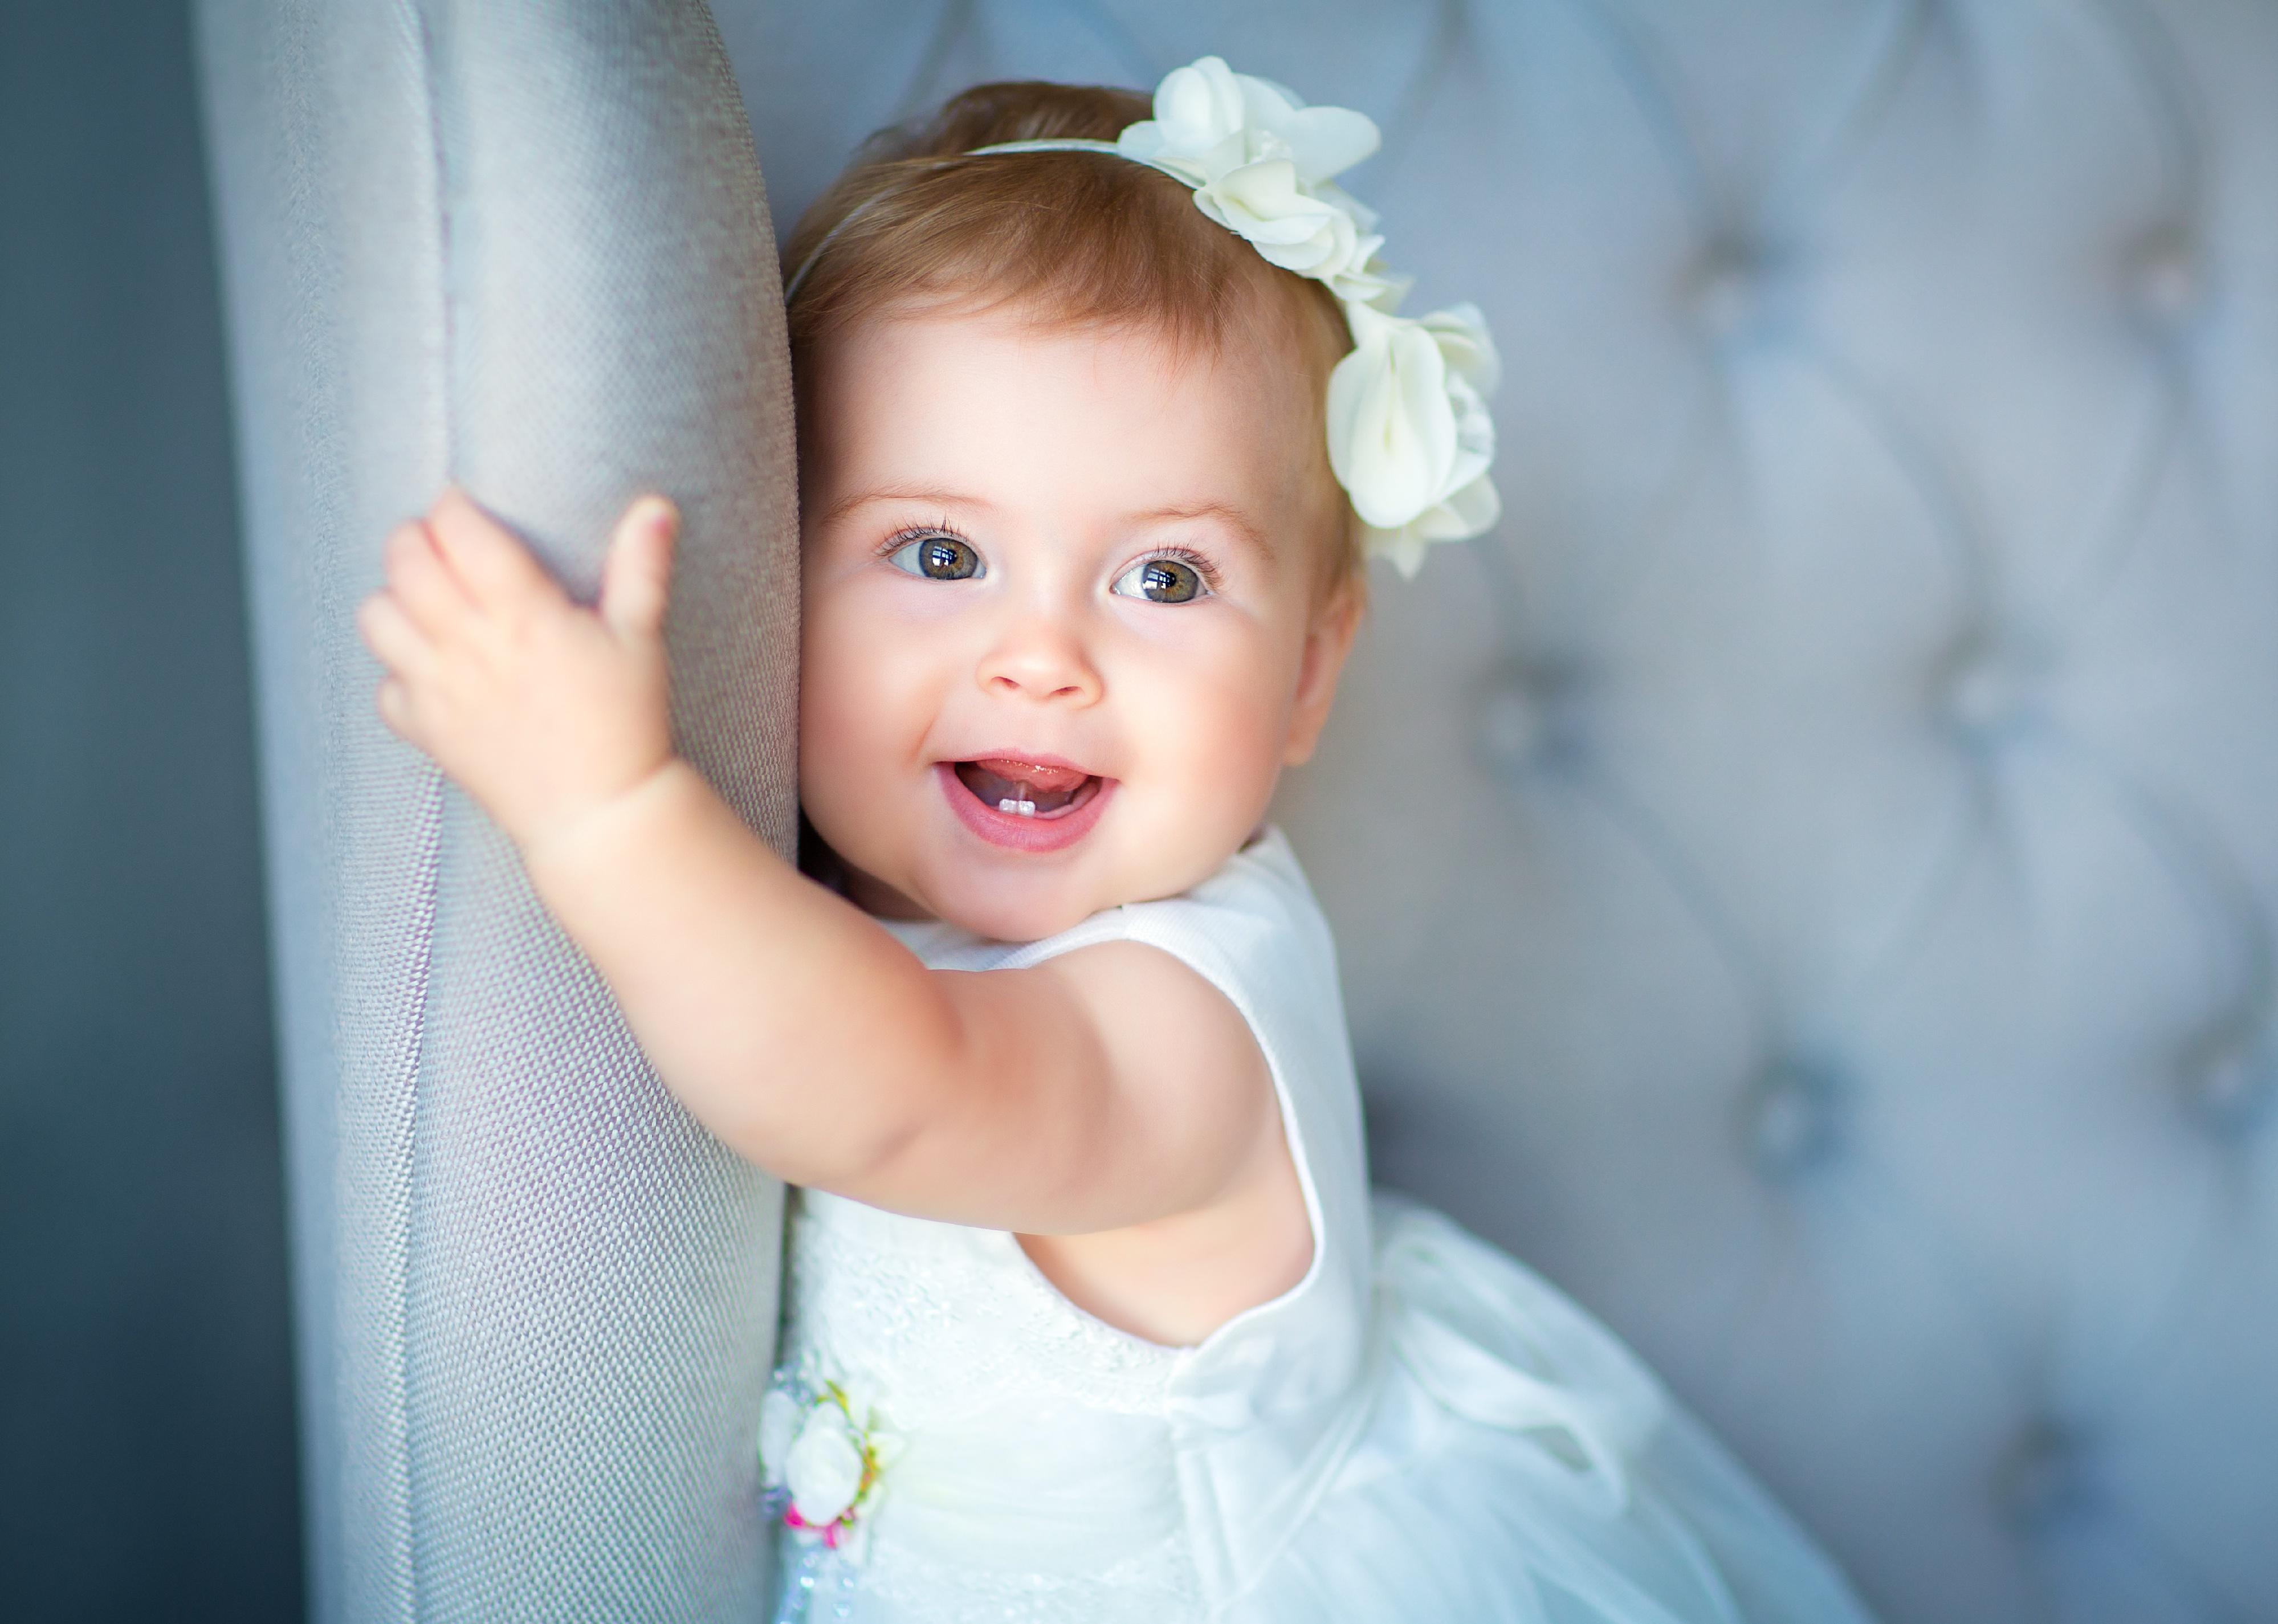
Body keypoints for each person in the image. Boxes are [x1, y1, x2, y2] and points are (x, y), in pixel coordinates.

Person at [356, 55, 1876, 1624]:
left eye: (1162, 580)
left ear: (1306, 670)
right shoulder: (833, 911)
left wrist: (607, 810)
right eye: (939, 551)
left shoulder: (1187, 1021)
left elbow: (898, 1086)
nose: (1044, 658)